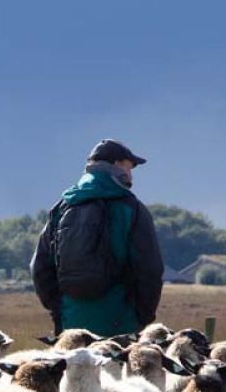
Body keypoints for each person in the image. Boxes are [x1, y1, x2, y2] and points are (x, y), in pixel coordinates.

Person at [30, 138, 163, 337]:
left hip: (70, 328)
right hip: (121, 326)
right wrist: (140, 317)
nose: (131, 174)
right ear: (116, 165)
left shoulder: (62, 207)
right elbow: (150, 270)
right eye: (129, 166)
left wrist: (59, 311)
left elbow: (39, 267)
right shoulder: (131, 209)